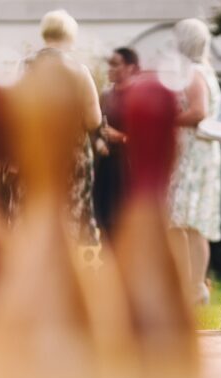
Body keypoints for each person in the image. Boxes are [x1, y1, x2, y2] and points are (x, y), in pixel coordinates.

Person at [167, 18, 221, 305]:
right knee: (192, 221)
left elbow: (198, 111)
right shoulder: (207, 70)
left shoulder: (192, 72)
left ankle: (190, 286)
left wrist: (165, 120)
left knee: (180, 220)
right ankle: (194, 286)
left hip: (190, 155)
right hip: (200, 153)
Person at [38, 9, 102, 245]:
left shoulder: (23, 68)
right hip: (70, 159)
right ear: (71, 36)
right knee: (70, 220)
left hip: (32, 156)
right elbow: (93, 120)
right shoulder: (78, 71)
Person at [93, 47, 139, 240]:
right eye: (109, 63)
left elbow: (144, 138)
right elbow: (94, 129)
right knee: (103, 222)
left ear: (130, 68)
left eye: (115, 64)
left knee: (124, 224)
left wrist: (121, 137)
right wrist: (98, 142)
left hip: (127, 169)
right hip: (105, 165)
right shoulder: (105, 96)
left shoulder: (138, 96)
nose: (109, 68)